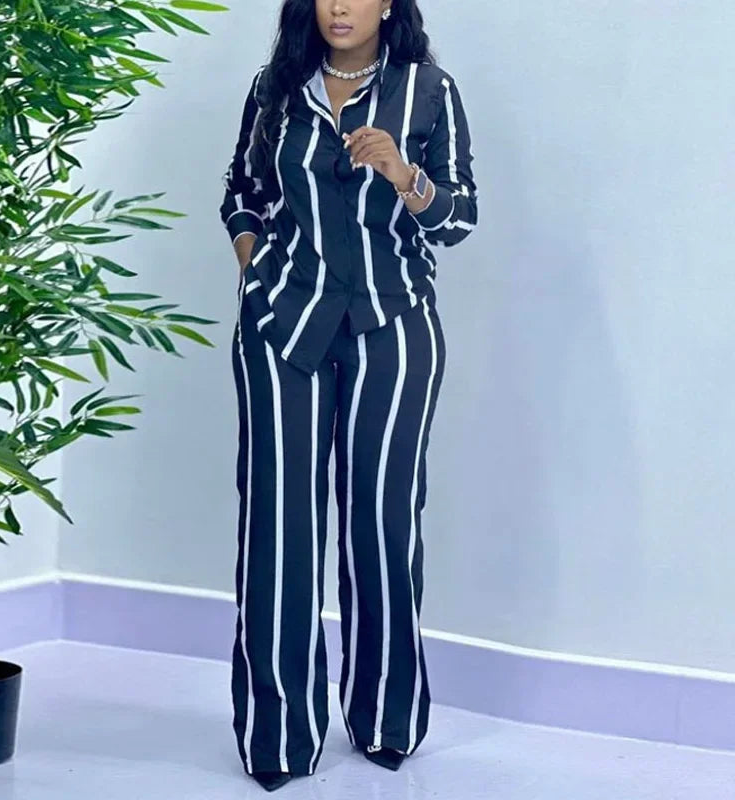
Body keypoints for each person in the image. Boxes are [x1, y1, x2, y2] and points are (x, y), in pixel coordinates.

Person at [218, 0, 477, 791]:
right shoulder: (275, 86)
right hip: (282, 328)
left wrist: (403, 175)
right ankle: (278, 736)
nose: (340, 6)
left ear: (389, 4)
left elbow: (459, 218)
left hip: (391, 325)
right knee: (278, 528)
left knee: (383, 523)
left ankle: (386, 720)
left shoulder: (428, 91)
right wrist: (254, 264)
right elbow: (242, 189)